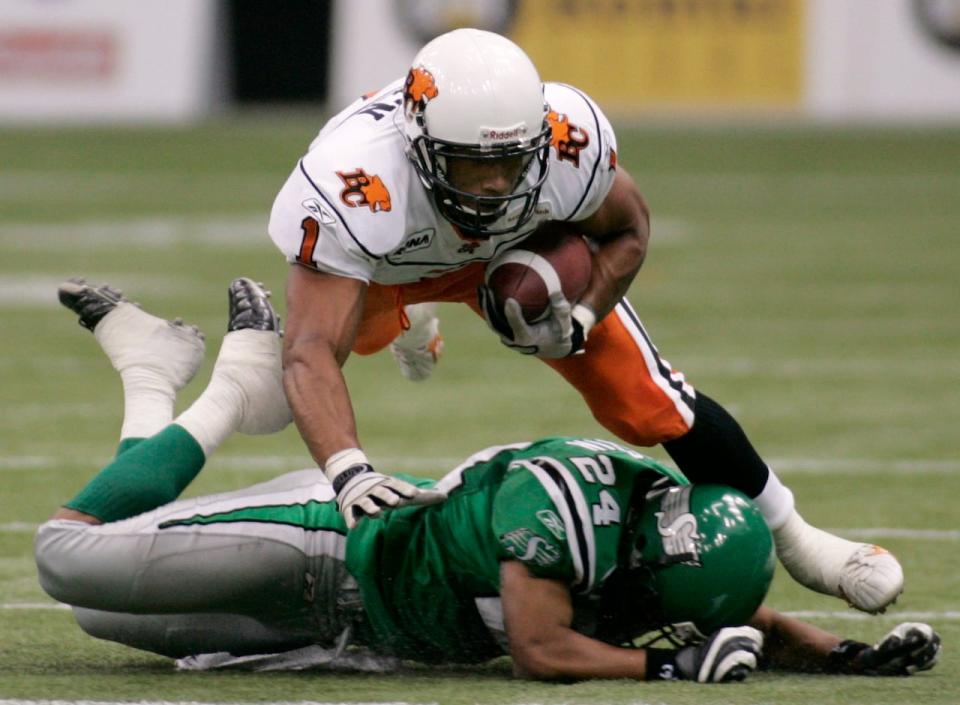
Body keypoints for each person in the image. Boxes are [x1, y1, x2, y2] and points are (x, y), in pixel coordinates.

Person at [266, 28, 902, 614]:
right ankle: (412, 318)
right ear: (419, 145)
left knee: (649, 401)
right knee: (362, 338)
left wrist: (586, 312)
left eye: (509, 162)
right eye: (469, 164)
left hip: (515, 254)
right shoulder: (356, 182)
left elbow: (629, 228)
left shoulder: (570, 141)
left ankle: (797, 537)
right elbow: (309, 350)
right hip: (391, 262)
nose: (491, 185)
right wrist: (349, 471)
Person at [35, 279, 940, 682]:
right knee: (67, 558)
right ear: (656, 545)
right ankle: (237, 378)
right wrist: (665, 664)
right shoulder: (566, 505)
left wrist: (849, 657)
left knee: (96, 612)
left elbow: (744, 615)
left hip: (344, 626)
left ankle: (152, 372)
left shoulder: (666, 537)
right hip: (322, 545)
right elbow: (542, 652)